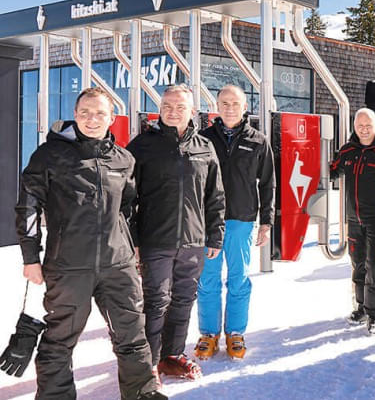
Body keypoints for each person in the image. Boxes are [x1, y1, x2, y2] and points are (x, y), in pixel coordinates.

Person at [14, 87, 165, 399]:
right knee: (59, 341)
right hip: (69, 266)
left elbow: (128, 209)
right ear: (75, 114)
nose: (91, 119)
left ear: (111, 118)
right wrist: (31, 257)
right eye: (84, 112)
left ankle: (143, 393)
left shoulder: (124, 159)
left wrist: (130, 248)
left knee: (132, 335)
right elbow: (28, 207)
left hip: (117, 266)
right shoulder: (49, 155)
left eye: (99, 113)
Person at [127, 84, 225, 381]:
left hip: (193, 240)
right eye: (167, 106)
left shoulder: (204, 147)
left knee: (183, 299)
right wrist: (133, 241)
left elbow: (215, 195)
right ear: (160, 109)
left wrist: (215, 234)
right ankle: (150, 362)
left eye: (180, 107)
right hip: (155, 238)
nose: (173, 111)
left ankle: (173, 355)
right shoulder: (142, 146)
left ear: (192, 111)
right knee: (156, 300)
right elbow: (127, 198)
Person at [195, 85, 275, 360]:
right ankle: (208, 333)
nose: (229, 107)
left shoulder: (258, 140)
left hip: (241, 219)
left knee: (239, 279)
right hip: (208, 221)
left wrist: (266, 220)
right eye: (224, 103)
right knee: (207, 279)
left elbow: (267, 182)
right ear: (217, 105)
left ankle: (235, 332)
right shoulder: (203, 139)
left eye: (235, 103)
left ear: (244, 107)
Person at [330, 108, 375, 334]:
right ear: (354, 127)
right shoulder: (348, 150)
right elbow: (332, 171)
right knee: (358, 264)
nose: (364, 130)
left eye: (368, 126)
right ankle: (362, 307)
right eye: (359, 126)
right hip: (354, 218)